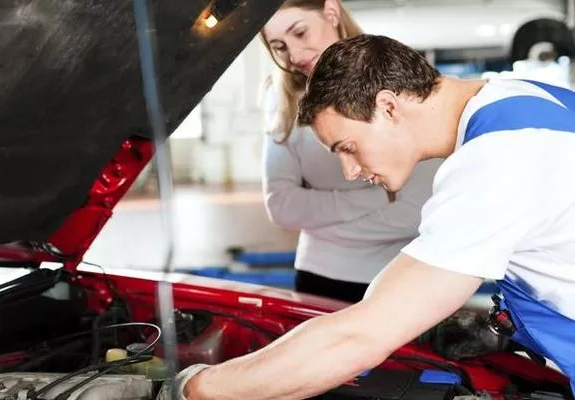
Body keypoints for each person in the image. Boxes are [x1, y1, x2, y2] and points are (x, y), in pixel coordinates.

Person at [175, 34, 575, 399]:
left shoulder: (495, 159)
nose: (350, 172)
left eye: (348, 147)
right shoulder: (516, 97)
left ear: (388, 105)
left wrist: (199, 389)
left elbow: (359, 338)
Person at [258, 0, 440, 302]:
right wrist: (380, 196)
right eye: (279, 46)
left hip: (401, 274)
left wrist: (322, 229)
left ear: (331, 12)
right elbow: (281, 205)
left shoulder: (398, 80)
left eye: (300, 33)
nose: (294, 55)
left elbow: (415, 212)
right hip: (320, 275)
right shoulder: (281, 98)